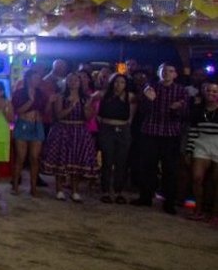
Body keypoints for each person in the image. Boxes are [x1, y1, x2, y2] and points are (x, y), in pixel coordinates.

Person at [134, 63, 189, 214]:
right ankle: (145, 197)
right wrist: (147, 100)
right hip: (150, 132)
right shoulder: (150, 88)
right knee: (147, 167)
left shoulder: (181, 90)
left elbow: (185, 114)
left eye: (170, 71)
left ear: (175, 74)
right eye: (163, 71)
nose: (166, 73)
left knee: (170, 170)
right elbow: (141, 110)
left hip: (170, 134)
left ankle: (169, 202)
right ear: (158, 73)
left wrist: (178, 108)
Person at [42, 73, 99, 202]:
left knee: (77, 162)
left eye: (76, 80)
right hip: (63, 130)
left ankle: (75, 191)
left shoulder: (85, 98)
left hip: (79, 131)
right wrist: (71, 107)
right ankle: (59, 189)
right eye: (70, 80)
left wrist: (88, 108)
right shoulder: (61, 97)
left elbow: (88, 118)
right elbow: (59, 115)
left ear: (80, 83)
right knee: (60, 161)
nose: (73, 82)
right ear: (66, 82)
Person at [94, 73, 135, 204]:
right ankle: (105, 191)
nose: (119, 85)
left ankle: (119, 191)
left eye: (122, 82)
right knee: (107, 161)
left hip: (123, 130)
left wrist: (126, 125)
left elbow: (131, 115)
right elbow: (93, 106)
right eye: (116, 82)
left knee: (122, 162)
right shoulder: (103, 95)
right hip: (107, 129)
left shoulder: (130, 97)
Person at [11, 69, 49, 196]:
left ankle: (33, 187)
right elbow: (19, 111)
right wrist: (30, 101)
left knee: (34, 158)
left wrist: (50, 101)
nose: (38, 80)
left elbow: (45, 111)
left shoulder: (41, 94)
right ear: (28, 79)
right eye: (35, 77)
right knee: (20, 157)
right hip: (23, 124)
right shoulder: (19, 93)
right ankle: (15, 185)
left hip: (37, 125)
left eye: (39, 78)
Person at [186, 81, 218, 221]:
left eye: (214, 91)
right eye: (208, 90)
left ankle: (215, 214)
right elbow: (193, 131)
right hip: (201, 143)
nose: (211, 93)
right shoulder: (198, 109)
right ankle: (198, 209)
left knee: (217, 181)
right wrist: (189, 150)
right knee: (197, 178)